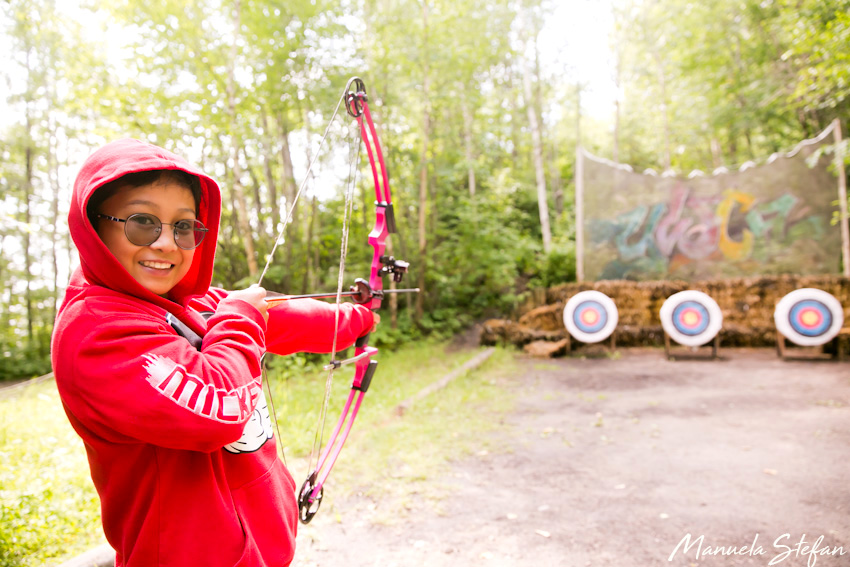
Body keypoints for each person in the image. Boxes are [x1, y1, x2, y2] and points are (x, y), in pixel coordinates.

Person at [51, 138, 377, 567]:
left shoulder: (187, 303)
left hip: (262, 548)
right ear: (93, 226)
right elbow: (218, 407)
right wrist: (241, 316)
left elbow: (281, 317)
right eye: (142, 222)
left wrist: (357, 317)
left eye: (184, 226)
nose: (167, 243)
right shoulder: (95, 332)